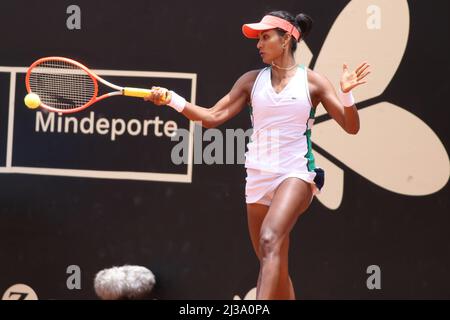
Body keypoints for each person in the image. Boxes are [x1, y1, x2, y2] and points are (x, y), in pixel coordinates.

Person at [144, 10, 370, 300]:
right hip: (258, 178)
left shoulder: (313, 82)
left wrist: (347, 94)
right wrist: (172, 100)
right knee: (272, 258)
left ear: (286, 39)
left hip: (296, 174)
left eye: (265, 37)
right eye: (258, 39)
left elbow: (351, 127)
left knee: (269, 238)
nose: (259, 44)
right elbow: (213, 116)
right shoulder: (251, 81)